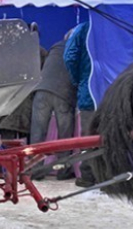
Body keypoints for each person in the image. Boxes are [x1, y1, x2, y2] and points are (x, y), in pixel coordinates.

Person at [30, 33, 78, 180]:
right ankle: (63, 171)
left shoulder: (55, 46)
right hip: (63, 94)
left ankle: (35, 171)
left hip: (41, 90)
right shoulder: (78, 48)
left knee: (37, 133)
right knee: (64, 135)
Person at [64, 20, 97, 187]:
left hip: (89, 91)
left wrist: (77, 79)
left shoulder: (82, 28)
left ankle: (88, 176)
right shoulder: (118, 23)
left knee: (89, 137)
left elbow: (69, 56)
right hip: (115, 91)